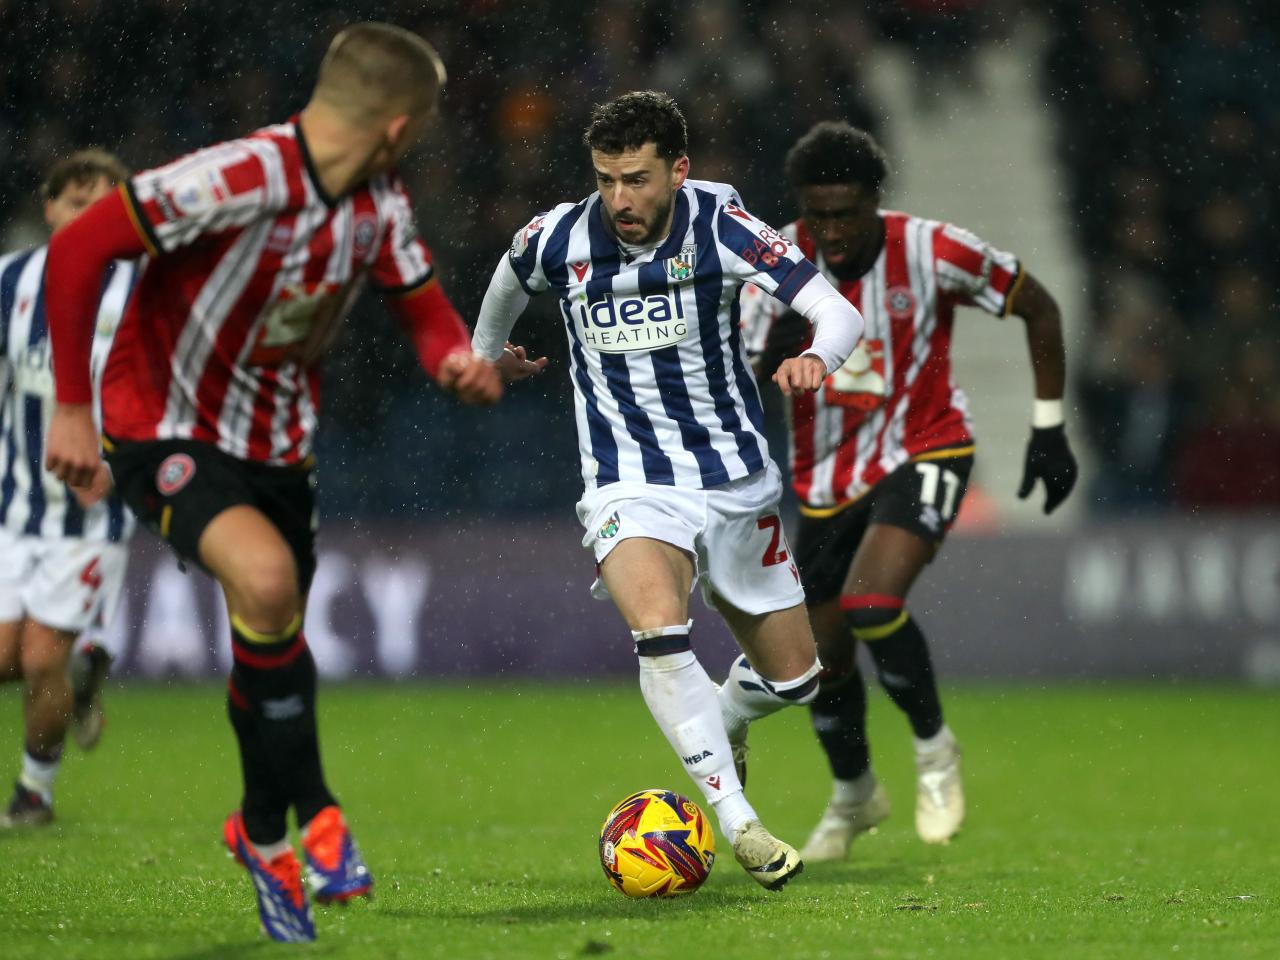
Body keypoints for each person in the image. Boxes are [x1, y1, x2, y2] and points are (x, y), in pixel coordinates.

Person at [43, 23, 527, 943]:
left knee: (272, 629)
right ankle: (298, 827)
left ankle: (269, 821)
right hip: (162, 425)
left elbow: (423, 312)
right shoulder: (234, 177)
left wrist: (454, 357)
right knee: (265, 586)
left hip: (279, 447)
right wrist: (72, 409)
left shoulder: (378, 204)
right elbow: (77, 254)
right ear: (396, 126)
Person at [471, 91, 864, 890]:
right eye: (608, 179)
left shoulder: (719, 226)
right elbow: (509, 276)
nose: (620, 199)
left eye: (639, 180)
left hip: (734, 482)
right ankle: (739, 823)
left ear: (678, 170)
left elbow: (837, 311)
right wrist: (489, 351)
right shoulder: (560, 237)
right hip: (630, 481)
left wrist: (819, 356)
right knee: (658, 629)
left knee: (796, 680)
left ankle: (724, 720)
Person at [741, 122, 1077, 860]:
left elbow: (1039, 306)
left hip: (927, 444)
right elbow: (746, 366)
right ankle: (855, 794)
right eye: (816, 213)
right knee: (819, 658)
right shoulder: (771, 261)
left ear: (875, 203)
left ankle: (934, 751)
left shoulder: (933, 249)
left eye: (845, 212)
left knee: (871, 602)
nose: (830, 230)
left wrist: (1048, 428)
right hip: (825, 477)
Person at [0, 149, 137, 828]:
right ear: (49, 208)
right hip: (11, 507)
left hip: (94, 517)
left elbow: (162, 401)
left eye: (106, 206)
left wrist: (126, 463)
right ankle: (81, 681)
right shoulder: (9, 283)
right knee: (6, 658)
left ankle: (34, 794)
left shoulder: (141, 295)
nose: (90, 217)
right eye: (77, 202)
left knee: (38, 655)